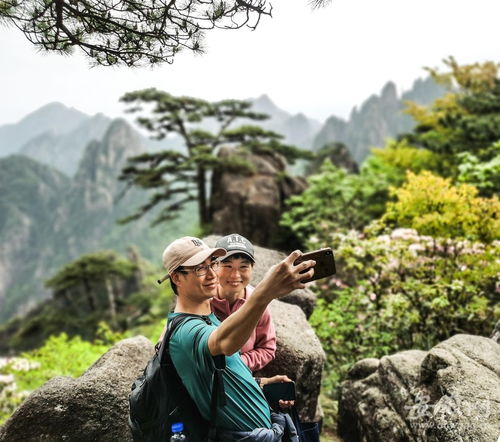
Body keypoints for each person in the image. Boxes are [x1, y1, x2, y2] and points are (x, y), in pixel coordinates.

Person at [158, 236, 315, 441]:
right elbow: (223, 343)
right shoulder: (185, 330)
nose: (212, 274)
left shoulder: (209, 319)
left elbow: (220, 374)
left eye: (212, 264)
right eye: (199, 269)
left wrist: (261, 383)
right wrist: (265, 293)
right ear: (176, 278)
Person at [211, 233, 276, 372]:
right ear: (214, 266)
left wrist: (237, 363)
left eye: (243, 267)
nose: (235, 275)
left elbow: (267, 349)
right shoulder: (205, 299)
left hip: (240, 377)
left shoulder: (257, 301)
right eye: (228, 266)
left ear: (252, 267)